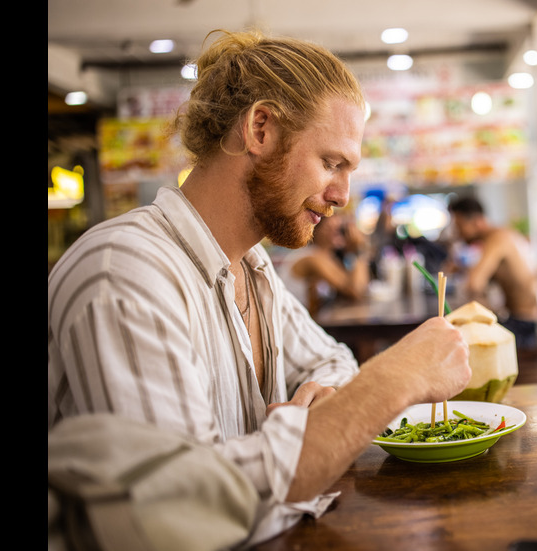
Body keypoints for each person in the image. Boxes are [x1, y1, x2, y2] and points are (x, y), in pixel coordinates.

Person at [47, 29, 471, 543]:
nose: (342, 195)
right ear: (261, 129)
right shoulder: (124, 272)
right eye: (331, 163)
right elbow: (176, 515)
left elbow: (331, 360)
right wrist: (394, 380)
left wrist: (319, 420)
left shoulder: (251, 266)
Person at [446, 196, 537, 347]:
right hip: (524, 321)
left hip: (523, 326)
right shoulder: (503, 234)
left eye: (459, 226)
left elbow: (473, 284)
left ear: (477, 221)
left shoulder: (497, 239)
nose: (458, 233)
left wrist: (489, 317)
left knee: (459, 344)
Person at [280, 211, 371, 314]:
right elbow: (355, 291)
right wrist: (358, 250)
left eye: (340, 229)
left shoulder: (329, 257)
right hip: (293, 323)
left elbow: (361, 288)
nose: (338, 233)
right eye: (331, 228)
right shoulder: (311, 257)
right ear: (316, 229)